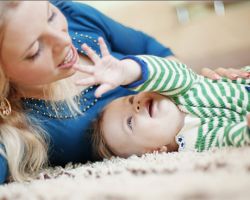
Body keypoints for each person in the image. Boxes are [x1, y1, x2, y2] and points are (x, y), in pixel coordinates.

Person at [0, 1, 247, 184]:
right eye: (34, 50)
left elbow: (153, 50)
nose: (64, 42)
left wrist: (203, 84)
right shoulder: (19, 131)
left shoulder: (74, 17)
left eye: (51, 16)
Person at [81, 39, 250, 159]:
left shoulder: (183, 86)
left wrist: (127, 72)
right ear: (154, 152)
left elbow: (163, 70)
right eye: (130, 122)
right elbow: (227, 138)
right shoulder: (193, 143)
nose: (137, 106)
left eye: (131, 100)